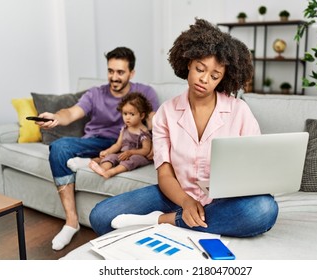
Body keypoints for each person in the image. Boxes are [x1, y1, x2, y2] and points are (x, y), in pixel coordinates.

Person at [89, 19, 278, 238]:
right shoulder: (166, 114)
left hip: (223, 200)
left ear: (223, 79)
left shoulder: (239, 111)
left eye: (215, 76)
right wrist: (186, 202)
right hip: (174, 195)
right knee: (101, 216)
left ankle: (164, 221)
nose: (204, 79)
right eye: (200, 69)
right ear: (188, 63)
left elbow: (255, 168)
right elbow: (165, 173)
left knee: (264, 210)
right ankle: (192, 218)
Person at [36, 47, 159, 250]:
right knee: (58, 147)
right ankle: (71, 222)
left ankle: (94, 160)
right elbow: (71, 113)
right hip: (95, 141)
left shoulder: (145, 92)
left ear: (131, 73)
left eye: (120, 72)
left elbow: (155, 121)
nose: (114, 77)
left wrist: (158, 140)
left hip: (124, 143)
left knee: (124, 150)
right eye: (111, 71)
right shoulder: (95, 93)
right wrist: (56, 118)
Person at [89, 92, 153, 179]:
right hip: (123, 154)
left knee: (133, 159)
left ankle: (112, 172)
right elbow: (118, 145)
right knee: (112, 156)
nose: (127, 117)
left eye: (132, 114)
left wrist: (130, 152)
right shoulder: (125, 129)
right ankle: (102, 169)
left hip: (138, 155)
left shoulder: (143, 132)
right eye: (125, 114)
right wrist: (108, 151)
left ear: (141, 115)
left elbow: (146, 150)